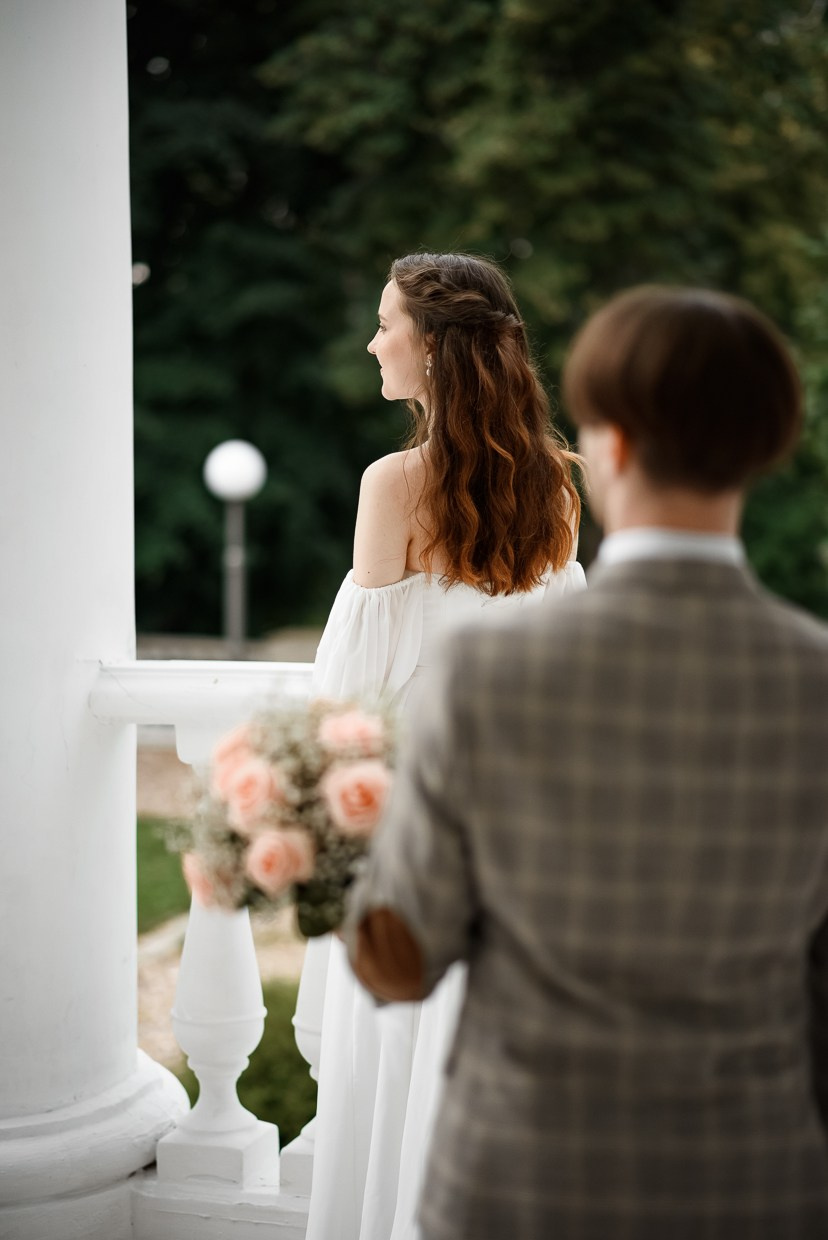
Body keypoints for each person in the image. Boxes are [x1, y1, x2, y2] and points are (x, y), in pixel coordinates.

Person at [345, 285, 828, 1239]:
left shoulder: (486, 677)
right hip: (763, 1179)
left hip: (526, 1175)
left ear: (607, 444)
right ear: (768, 446)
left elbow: (399, 959)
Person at [303, 252, 586, 1240]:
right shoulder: (555, 488)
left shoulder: (394, 488)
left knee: (395, 1111)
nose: (373, 341)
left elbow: (346, 701)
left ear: (431, 348)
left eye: (387, 324)